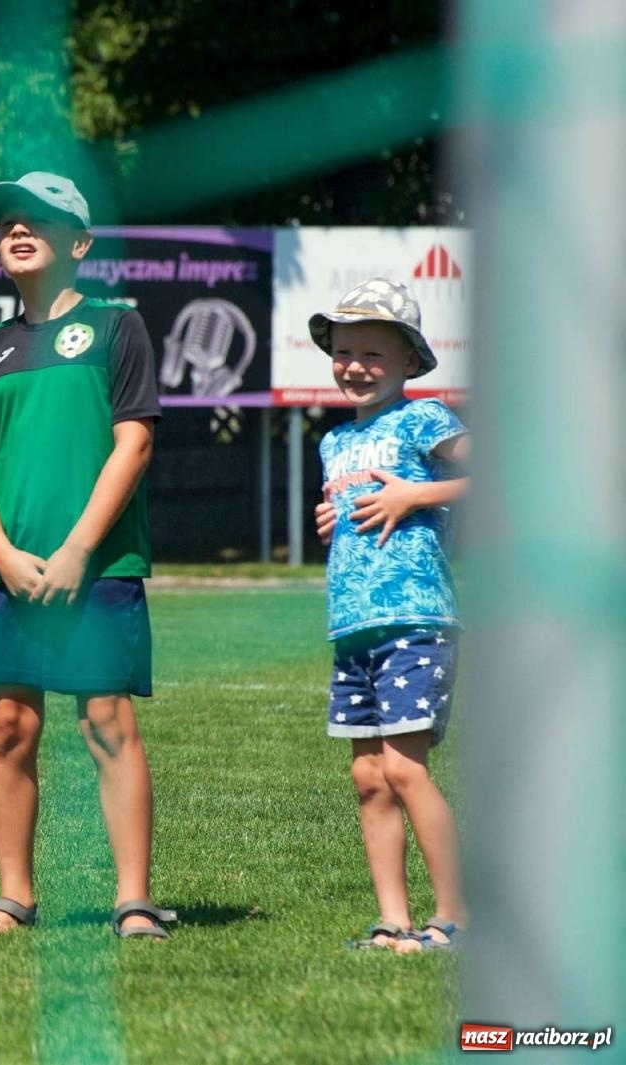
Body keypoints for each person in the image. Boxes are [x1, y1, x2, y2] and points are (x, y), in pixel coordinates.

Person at [0, 172, 173, 939]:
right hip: (8, 573)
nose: (15, 228)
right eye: (4, 221)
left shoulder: (118, 329)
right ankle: (13, 897)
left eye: (36, 219)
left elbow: (133, 443)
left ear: (79, 243)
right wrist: (4, 554)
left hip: (100, 569)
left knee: (106, 722)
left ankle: (133, 898)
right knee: (9, 724)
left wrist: (79, 549)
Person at [309, 278, 470, 953]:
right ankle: (393, 922)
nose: (355, 365)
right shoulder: (333, 444)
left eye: (372, 353)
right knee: (368, 776)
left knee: (406, 770)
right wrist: (331, 519)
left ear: (408, 361)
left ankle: (457, 918)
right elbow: (354, 509)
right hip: (354, 625)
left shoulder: (425, 418)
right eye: (344, 351)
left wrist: (414, 495)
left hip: (415, 617)